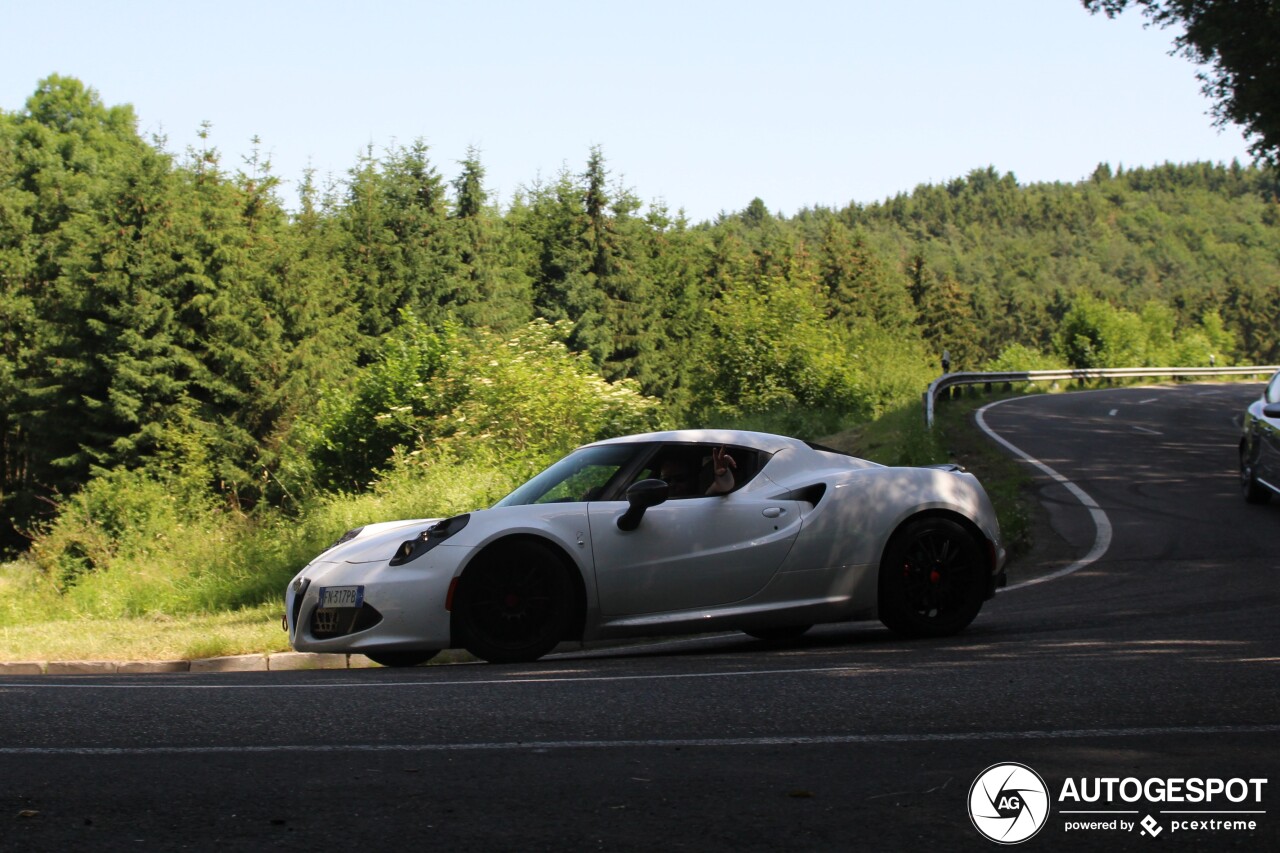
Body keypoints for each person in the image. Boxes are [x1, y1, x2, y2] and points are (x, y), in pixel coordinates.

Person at [658, 446, 736, 497]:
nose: (672, 484)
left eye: (679, 479)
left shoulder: (702, 499)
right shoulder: (655, 502)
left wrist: (722, 475)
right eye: (666, 480)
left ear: (692, 479)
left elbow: (724, 486)